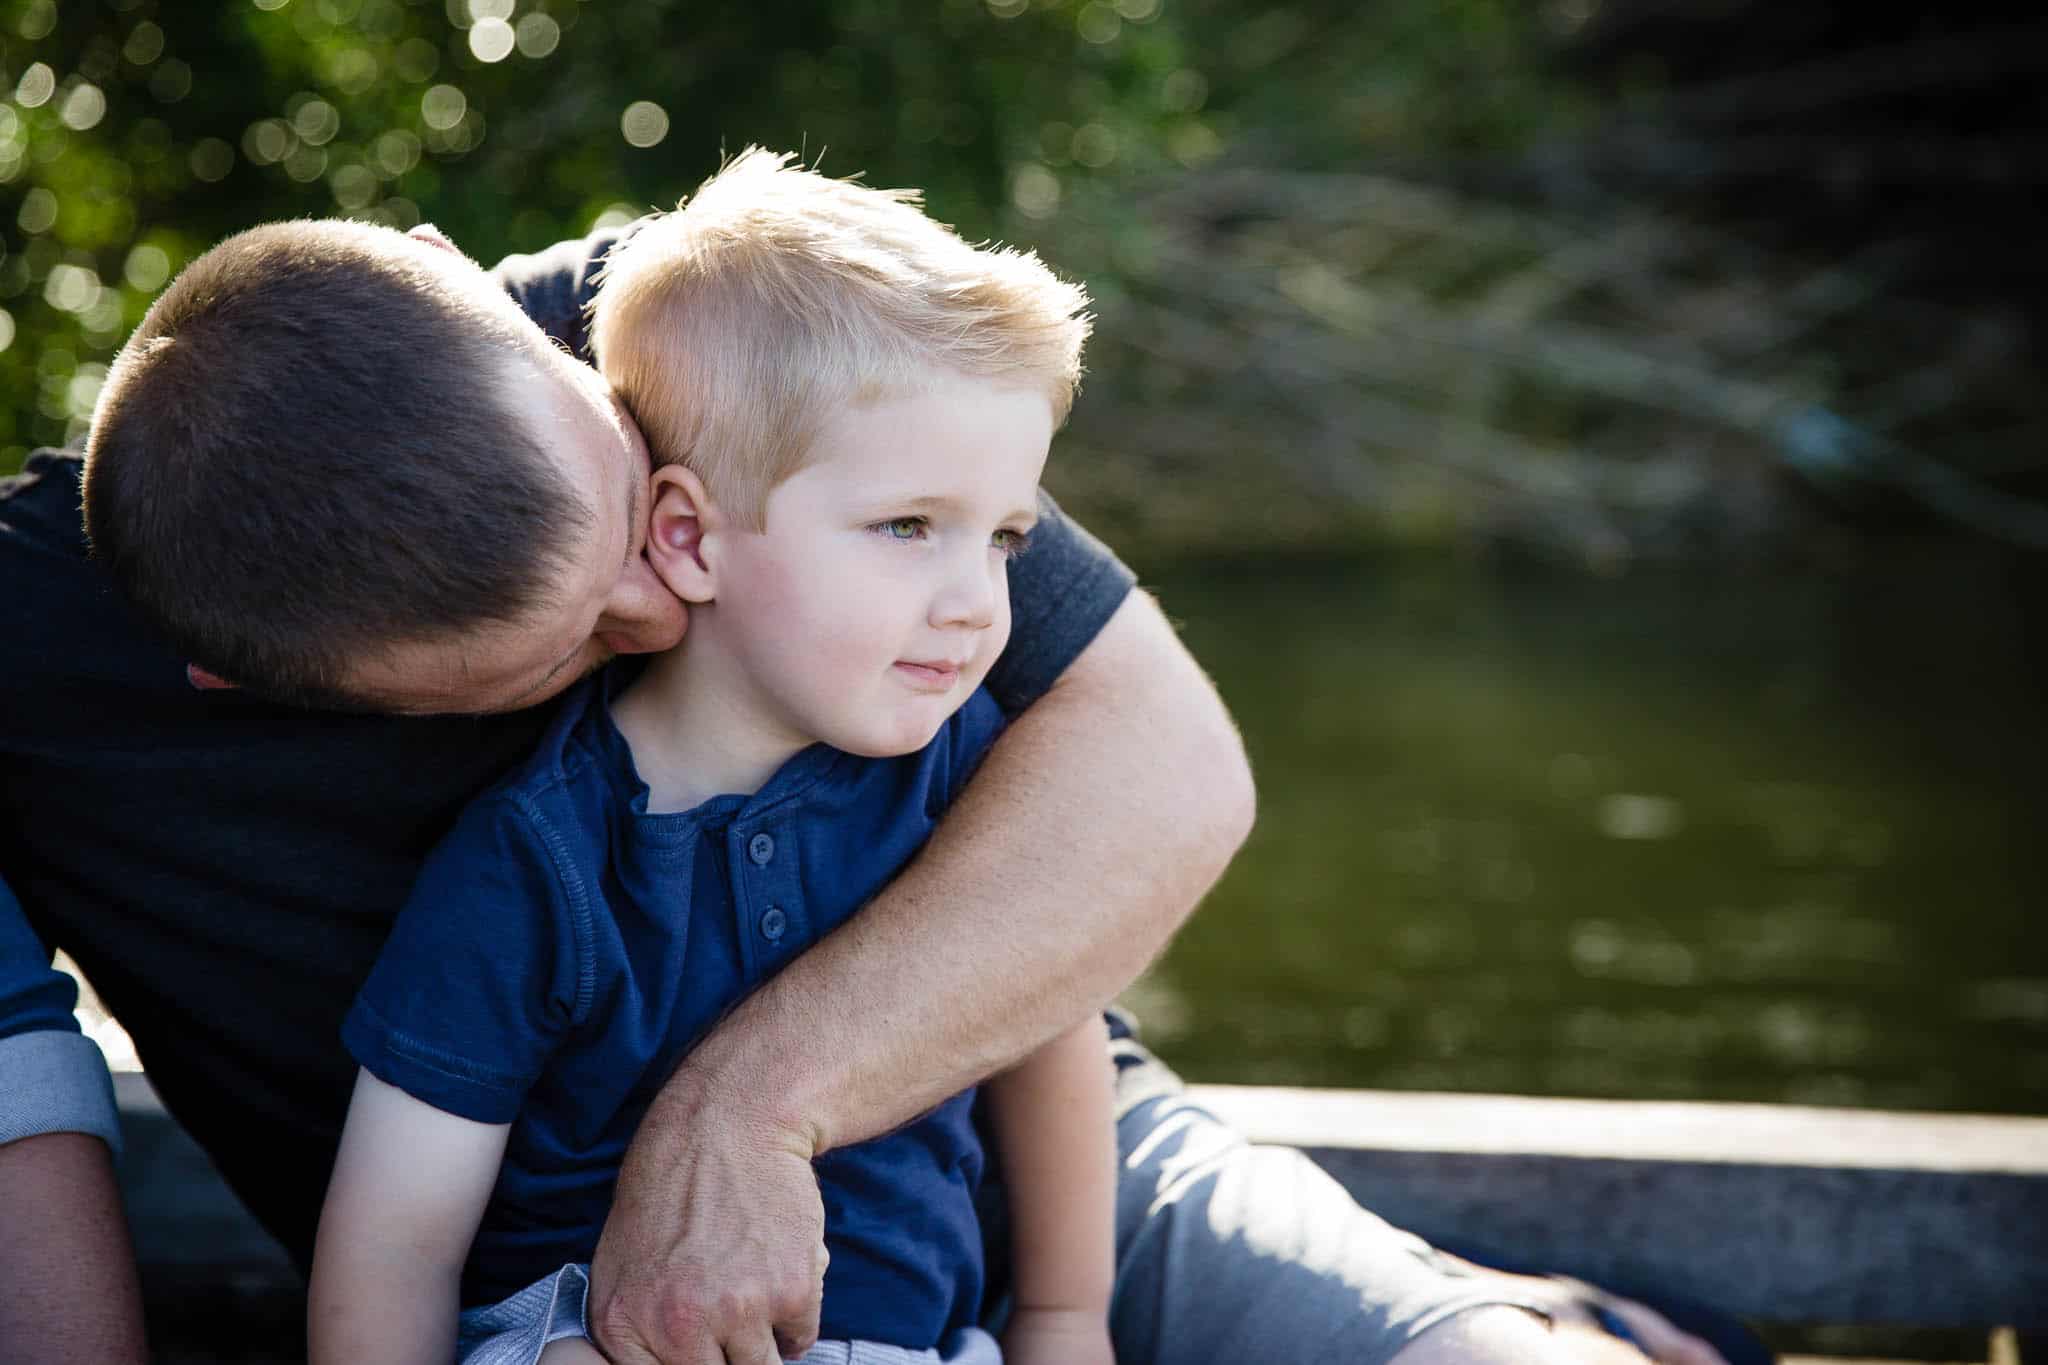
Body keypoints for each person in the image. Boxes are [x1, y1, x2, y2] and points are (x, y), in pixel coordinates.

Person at [0, 175, 1743, 1365]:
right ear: (242, 684)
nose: (669, 586)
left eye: (640, 503)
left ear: (464, 283)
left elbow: (1167, 773)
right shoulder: (65, 675)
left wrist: (754, 1108)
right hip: (561, 1286)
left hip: (1001, 1123)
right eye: (577, 647)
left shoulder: (681, 327)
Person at [306, 149, 1117, 1365]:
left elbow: (1047, 1018)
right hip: (597, 1332)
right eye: (907, 528)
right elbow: (391, 1248)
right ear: (688, 535)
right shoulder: (537, 864)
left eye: (1001, 538)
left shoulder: (961, 773)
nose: (976, 605)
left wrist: (1063, 1318)